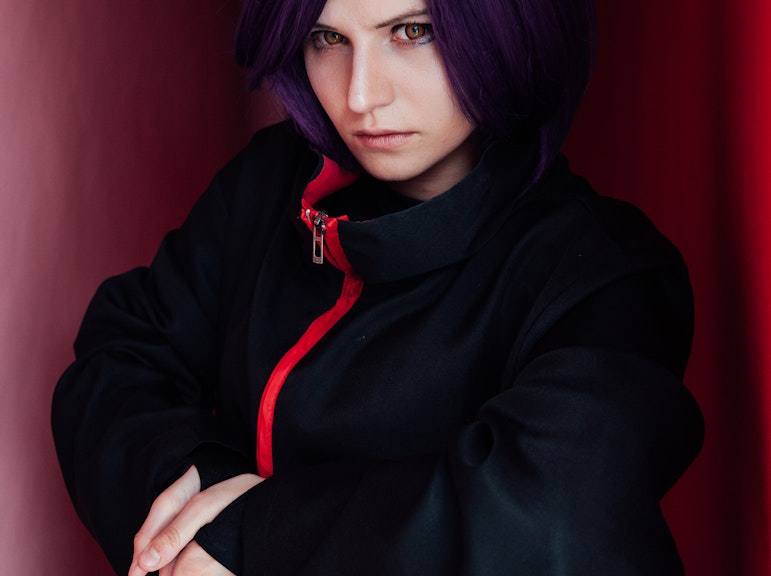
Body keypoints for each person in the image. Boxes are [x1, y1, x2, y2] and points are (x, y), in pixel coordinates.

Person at [51, 0, 704, 574]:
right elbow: (119, 360)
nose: (360, 96)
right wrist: (200, 504)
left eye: (411, 31)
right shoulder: (269, 183)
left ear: (510, 24)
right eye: (327, 38)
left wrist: (257, 533)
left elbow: (546, 516)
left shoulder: (605, 272)